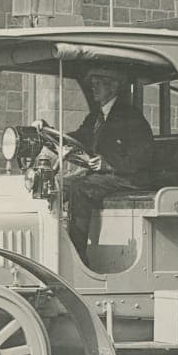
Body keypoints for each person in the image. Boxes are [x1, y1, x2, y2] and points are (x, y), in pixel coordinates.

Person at [62, 65, 155, 262]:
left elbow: (142, 157)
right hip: (107, 177)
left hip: (129, 177)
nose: (93, 88)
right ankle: (59, 244)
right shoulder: (96, 116)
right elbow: (79, 137)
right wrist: (48, 130)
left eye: (97, 84)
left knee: (80, 188)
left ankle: (77, 256)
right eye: (92, 84)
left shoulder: (130, 117)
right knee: (58, 186)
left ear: (112, 87)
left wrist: (108, 164)